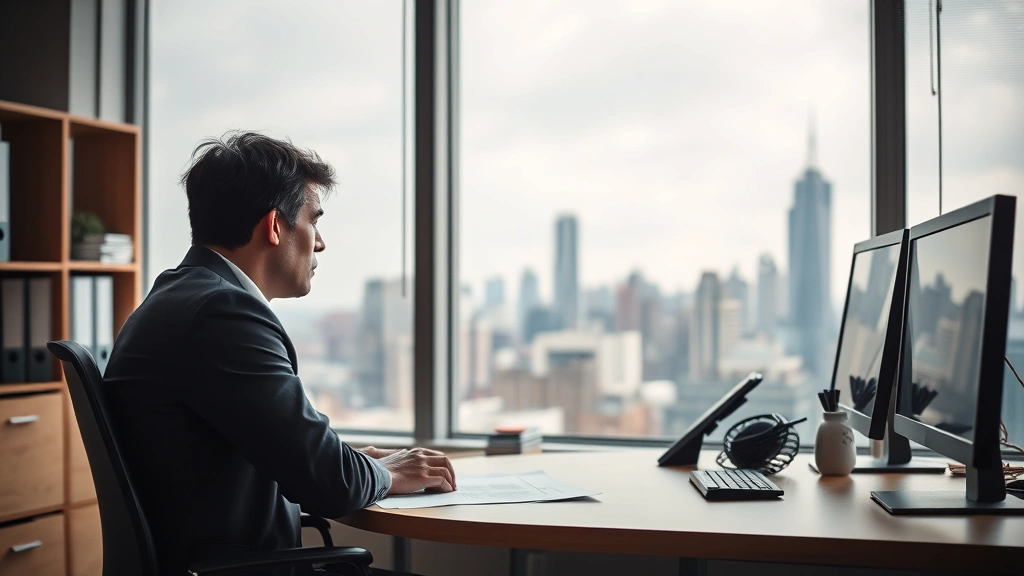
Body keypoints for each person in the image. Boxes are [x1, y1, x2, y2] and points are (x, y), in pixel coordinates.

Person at [104, 132, 455, 575]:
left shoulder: (181, 296)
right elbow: (332, 485)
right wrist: (390, 474)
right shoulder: (222, 314)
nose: (320, 242)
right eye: (313, 220)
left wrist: (357, 460)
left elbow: (283, 448)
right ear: (274, 226)